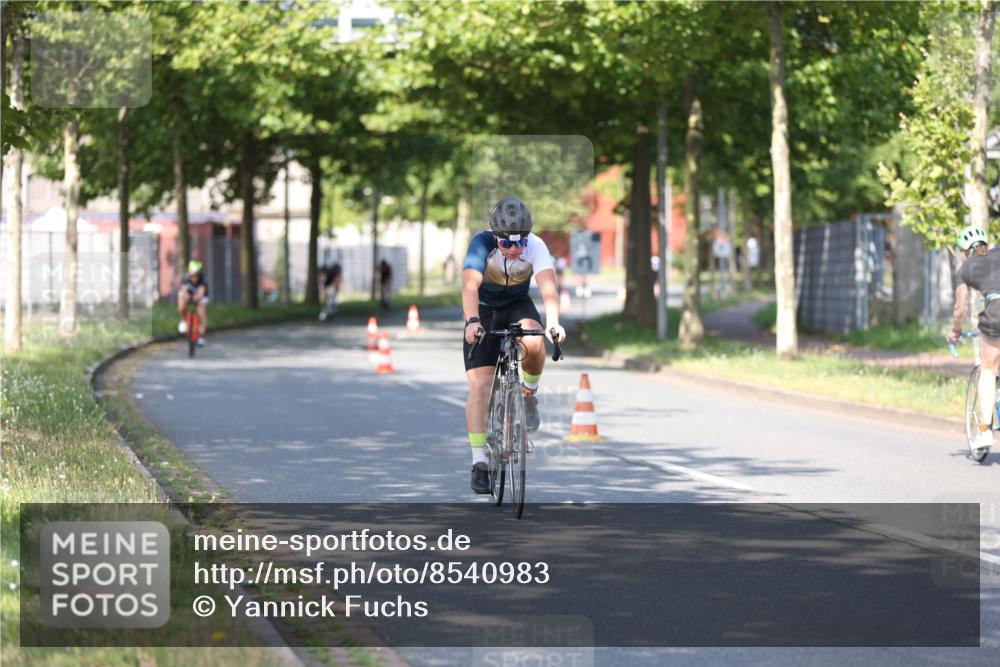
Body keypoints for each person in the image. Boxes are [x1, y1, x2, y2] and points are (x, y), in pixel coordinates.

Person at [462, 196, 566, 494]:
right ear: (495, 236)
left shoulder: (536, 245)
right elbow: (469, 286)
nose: (514, 248)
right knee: (481, 386)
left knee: (534, 340)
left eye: (520, 242)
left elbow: (548, 288)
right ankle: (480, 461)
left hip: (517, 304)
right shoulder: (481, 244)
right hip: (482, 308)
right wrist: (471, 322)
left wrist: (555, 323)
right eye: (506, 243)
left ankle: (529, 393)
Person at [948, 225, 1000, 454]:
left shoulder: (964, 268)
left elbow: (960, 309)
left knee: (988, 369)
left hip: (996, 313)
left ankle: (985, 430)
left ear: (964, 251)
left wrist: (956, 330)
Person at [177, 259, 209, 346]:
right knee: (182, 303)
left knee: (201, 312)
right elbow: (183, 291)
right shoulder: (185, 278)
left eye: (196, 276)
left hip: (200, 295)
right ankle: (183, 320)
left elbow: (201, 292)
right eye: (192, 276)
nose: (194, 278)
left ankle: (201, 335)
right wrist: (186, 297)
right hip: (188, 294)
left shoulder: (203, 279)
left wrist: (197, 298)